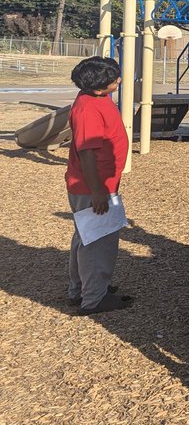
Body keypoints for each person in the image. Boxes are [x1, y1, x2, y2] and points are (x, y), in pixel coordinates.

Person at [64, 56, 131, 315]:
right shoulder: (88, 108)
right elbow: (87, 153)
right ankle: (93, 298)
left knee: (85, 236)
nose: (119, 80)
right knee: (98, 241)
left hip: (98, 183)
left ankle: (80, 289)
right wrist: (97, 190)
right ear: (98, 87)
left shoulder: (98, 99)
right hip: (93, 185)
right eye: (114, 80)